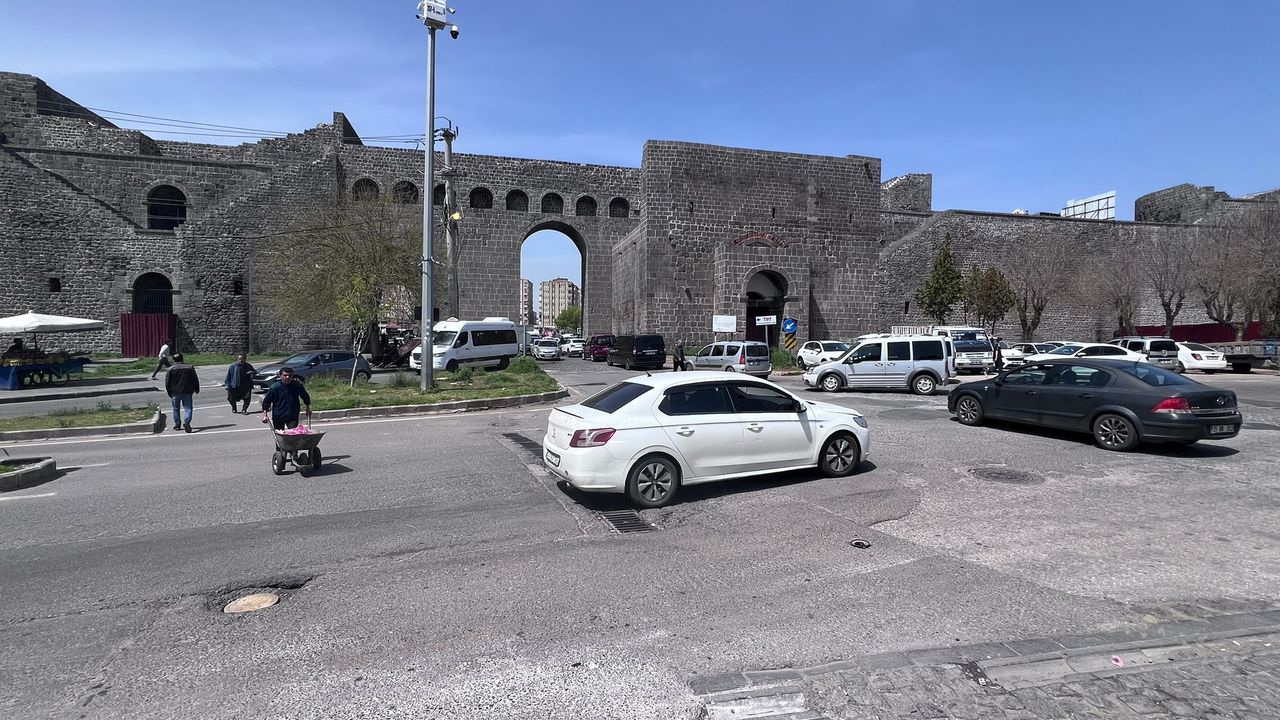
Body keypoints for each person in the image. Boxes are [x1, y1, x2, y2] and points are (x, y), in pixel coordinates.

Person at [260, 366, 312, 431]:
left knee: (293, 433)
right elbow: (267, 401)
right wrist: (265, 415)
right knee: (279, 433)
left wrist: (307, 408)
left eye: (289, 375)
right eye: (285, 375)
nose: (287, 377)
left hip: (292, 415)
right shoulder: (275, 387)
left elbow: (305, 396)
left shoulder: (297, 386)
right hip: (278, 415)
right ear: (280, 376)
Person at [164, 353, 200, 433]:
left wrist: (169, 392)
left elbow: (167, 382)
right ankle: (186, 422)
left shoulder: (171, 369)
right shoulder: (190, 367)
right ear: (182, 358)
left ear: (174, 360)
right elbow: (195, 379)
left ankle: (177, 425)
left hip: (175, 392)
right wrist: (197, 388)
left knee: (176, 408)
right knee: (188, 408)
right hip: (187, 391)